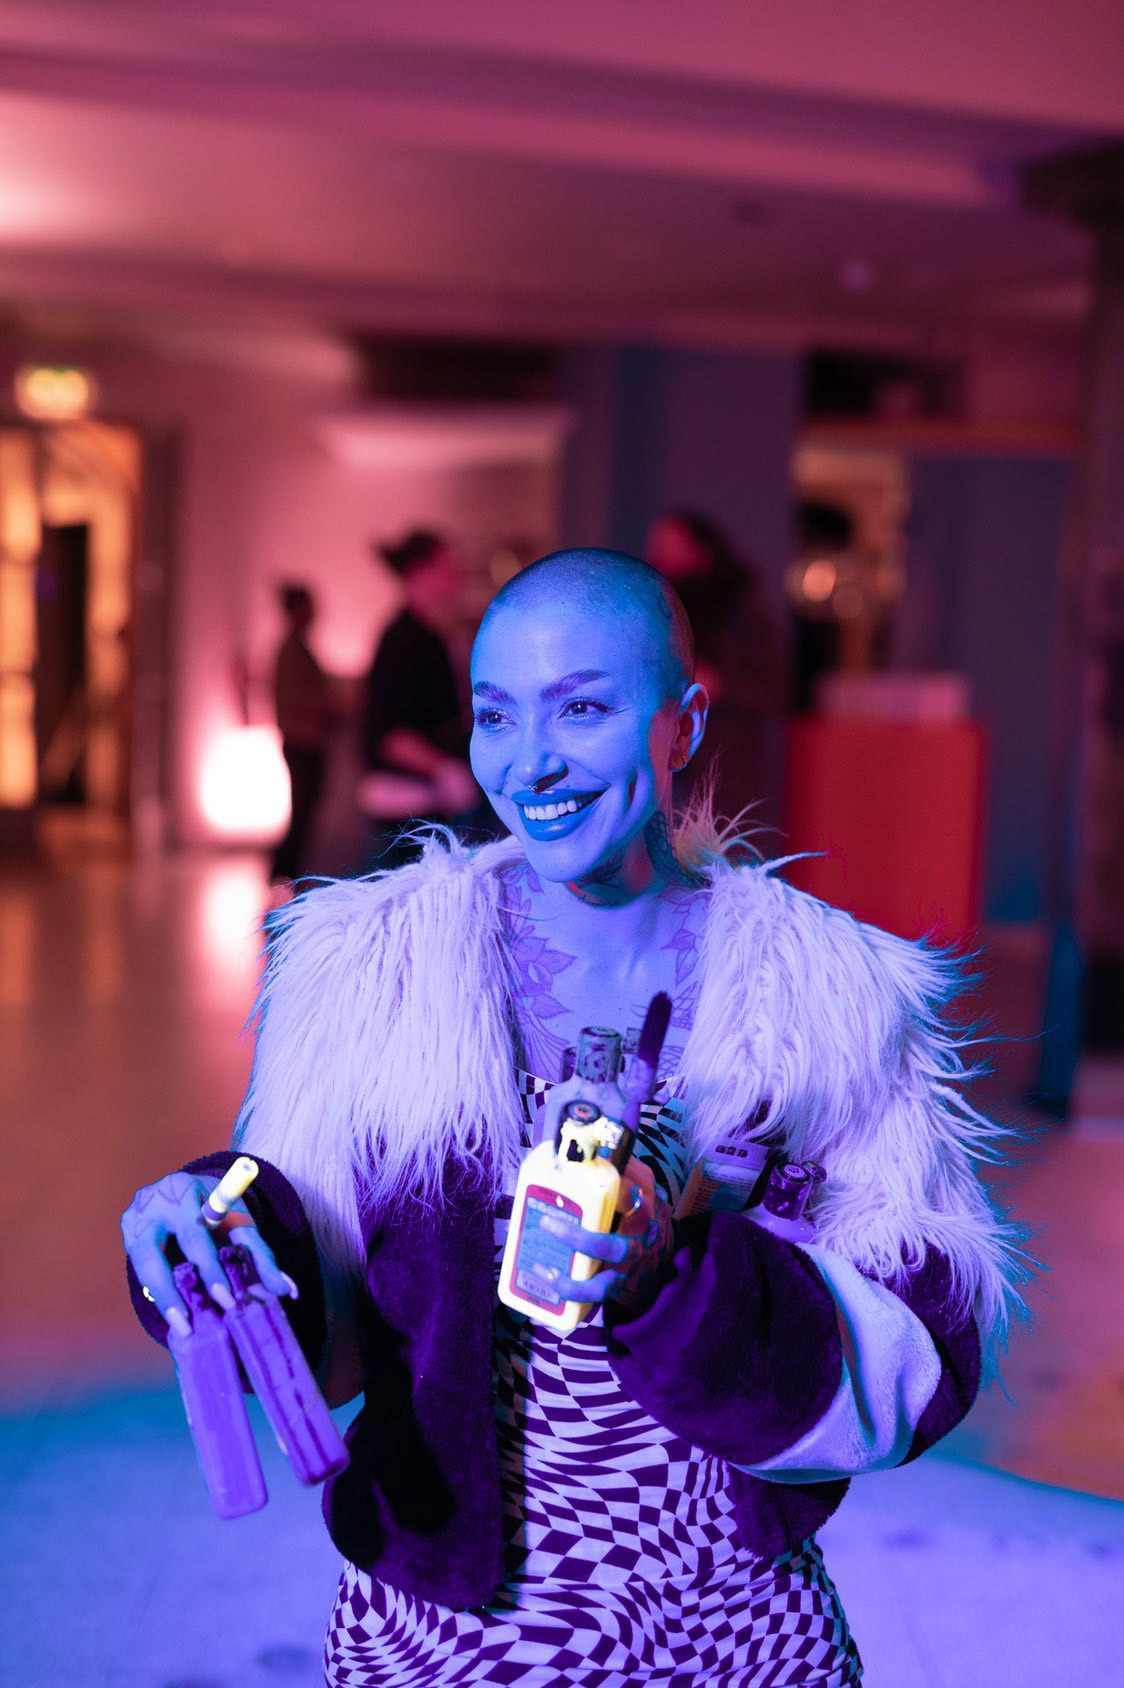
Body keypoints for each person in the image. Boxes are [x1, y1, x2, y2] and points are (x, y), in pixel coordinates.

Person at [122, 549, 1022, 1686]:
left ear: (684, 722)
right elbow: (331, 1327)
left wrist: (675, 1280)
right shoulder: (367, 974)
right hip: (446, 1629)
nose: (530, 760)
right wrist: (218, 1234)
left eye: (582, 708)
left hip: (730, 1622)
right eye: (495, 715)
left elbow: (919, 1350)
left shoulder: (828, 999)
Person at [647, 509, 787, 828]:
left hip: (722, 763)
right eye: (656, 546)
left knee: (716, 846)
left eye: (670, 545)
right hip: (667, 757)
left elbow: (774, 689)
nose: (660, 555)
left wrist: (717, 683)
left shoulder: (740, 606)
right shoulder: (658, 605)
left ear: (700, 549)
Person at [360, 528, 477, 867]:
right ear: (418, 571)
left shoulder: (433, 635)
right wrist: (444, 769)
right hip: (405, 806)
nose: (455, 575)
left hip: (428, 799)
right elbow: (389, 734)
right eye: (446, 565)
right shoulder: (402, 640)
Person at [269, 582, 332, 887]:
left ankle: (287, 875)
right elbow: (296, 698)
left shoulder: (297, 648)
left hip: (304, 742)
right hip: (301, 744)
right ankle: (283, 876)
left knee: (304, 813)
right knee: (301, 813)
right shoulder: (292, 651)